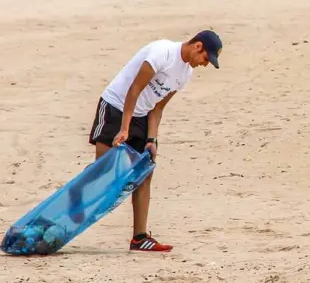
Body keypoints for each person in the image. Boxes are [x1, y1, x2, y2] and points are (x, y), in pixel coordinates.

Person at [86, 30, 222, 252]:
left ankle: (139, 238)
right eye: (206, 59)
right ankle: (61, 210)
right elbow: (135, 89)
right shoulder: (162, 52)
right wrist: (124, 128)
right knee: (102, 173)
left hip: (141, 115)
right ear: (198, 46)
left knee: (144, 172)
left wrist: (152, 139)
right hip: (115, 107)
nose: (205, 65)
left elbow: (158, 108)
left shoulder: (185, 74)